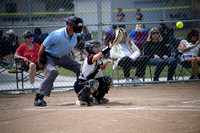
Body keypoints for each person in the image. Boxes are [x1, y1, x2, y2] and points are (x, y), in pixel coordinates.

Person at [34, 16, 83, 107]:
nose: (77, 26)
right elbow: (43, 46)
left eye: (78, 24)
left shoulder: (75, 35)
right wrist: (39, 60)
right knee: (53, 71)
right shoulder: (56, 34)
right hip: (49, 56)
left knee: (81, 69)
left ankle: (82, 93)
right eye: (74, 25)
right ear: (68, 25)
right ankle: (39, 97)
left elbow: (67, 48)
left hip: (62, 57)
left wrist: (63, 61)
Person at [74, 40, 113, 106]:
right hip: (80, 85)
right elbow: (101, 54)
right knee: (94, 82)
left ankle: (98, 98)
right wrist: (110, 46)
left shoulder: (97, 60)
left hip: (89, 82)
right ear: (89, 49)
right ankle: (81, 99)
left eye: (98, 47)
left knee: (107, 79)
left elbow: (97, 69)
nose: (98, 49)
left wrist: (104, 67)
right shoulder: (90, 58)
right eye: (96, 47)